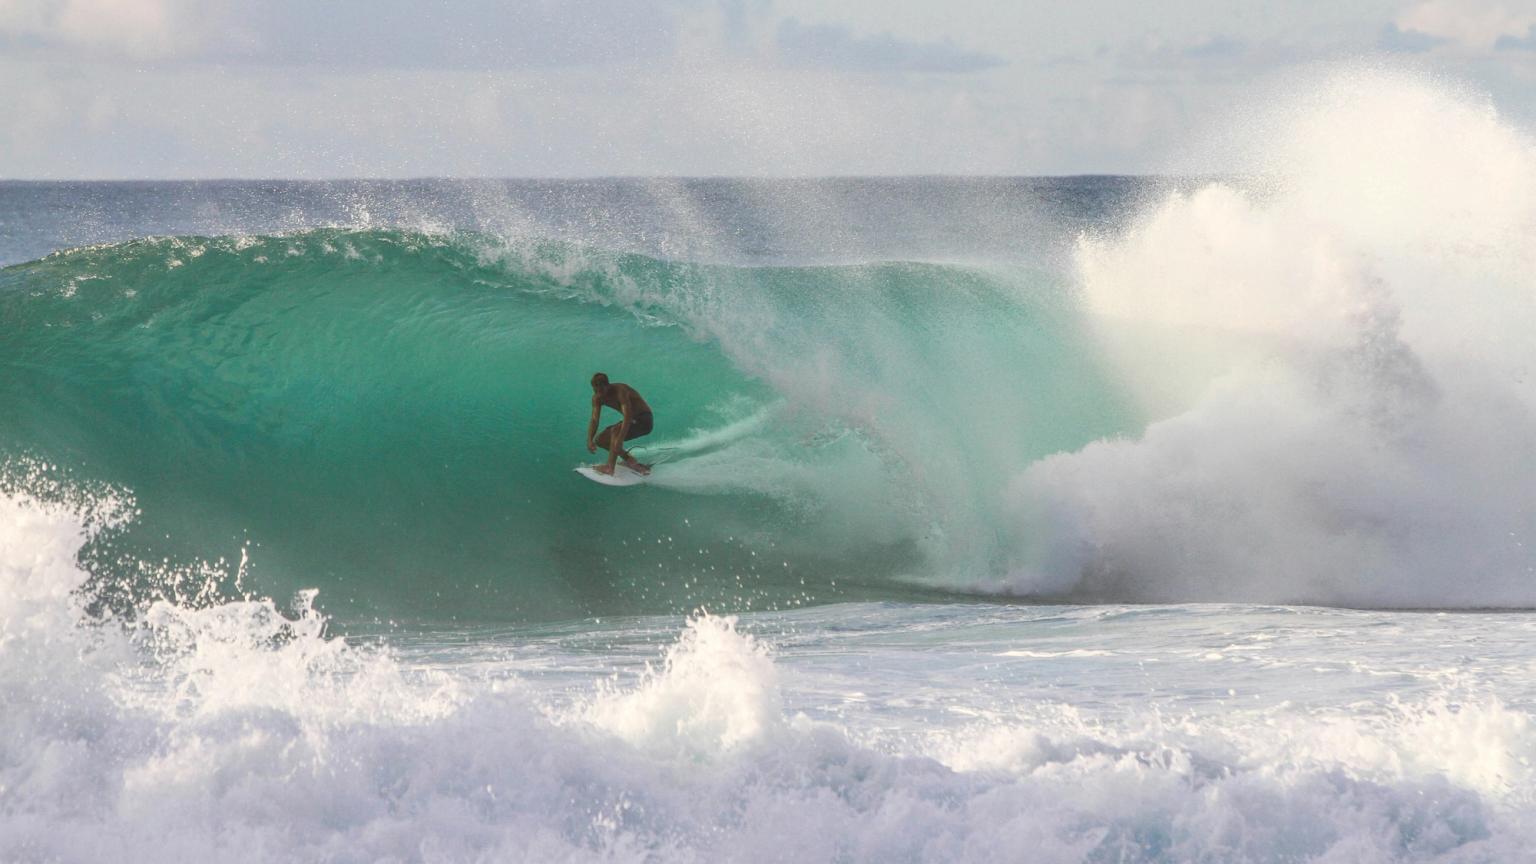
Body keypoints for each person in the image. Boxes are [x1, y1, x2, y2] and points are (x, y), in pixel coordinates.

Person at [586, 372, 653, 475]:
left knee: (616, 431)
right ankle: (630, 460)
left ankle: (609, 468)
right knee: (600, 440)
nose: (599, 393)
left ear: (607, 385)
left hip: (644, 420)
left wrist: (619, 440)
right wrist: (590, 439)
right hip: (632, 421)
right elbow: (594, 419)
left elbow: (628, 415)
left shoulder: (620, 390)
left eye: (601, 390)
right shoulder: (597, 398)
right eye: (596, 390)